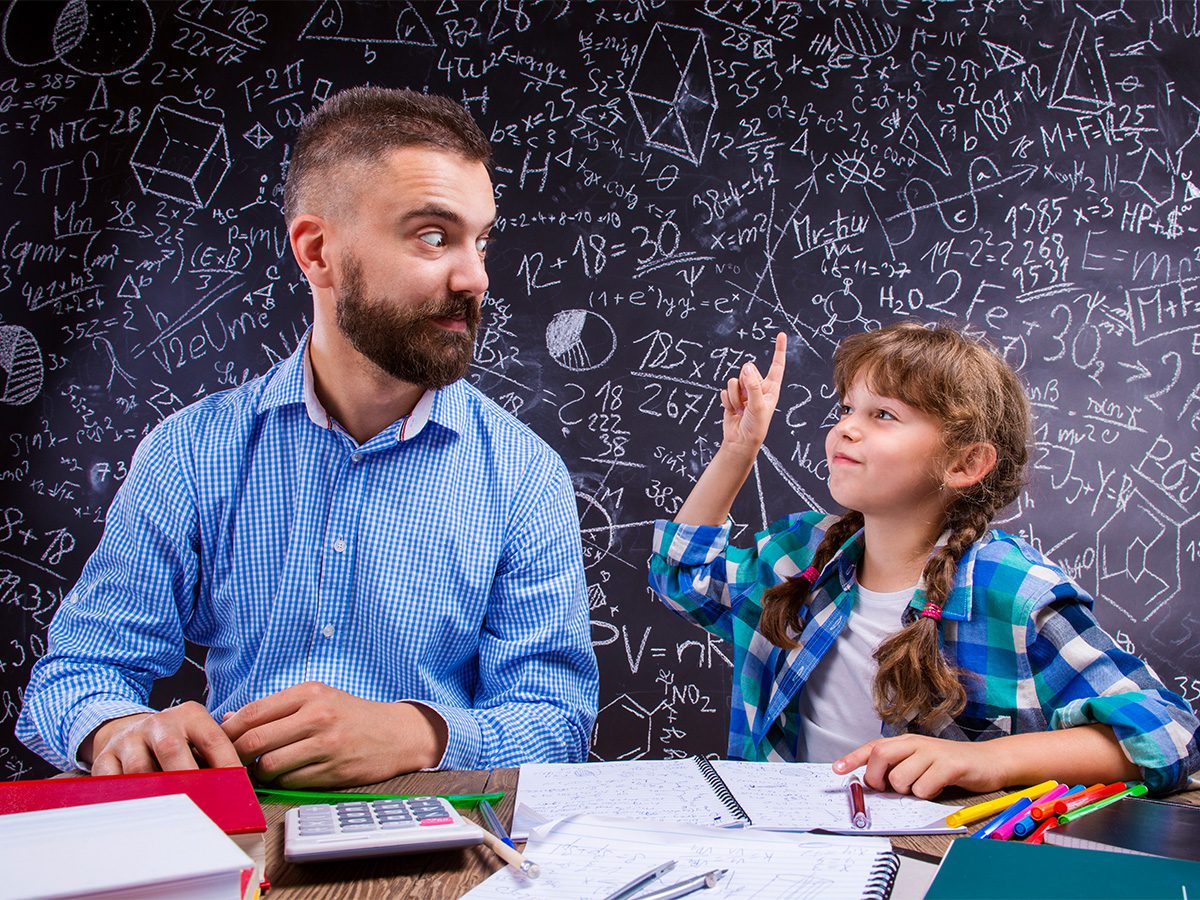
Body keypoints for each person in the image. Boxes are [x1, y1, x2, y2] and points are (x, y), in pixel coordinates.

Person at [17, 87, 598, 787]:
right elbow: (76, 674)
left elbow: (559, 721)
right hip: (233, 838)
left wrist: (419, 732)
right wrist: (124, 730)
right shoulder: (192, 453)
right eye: (434, 236)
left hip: (442, 845)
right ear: (317, 251)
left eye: (481, 241)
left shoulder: (524, 476)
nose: (474, 276)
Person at [648, 322, 1199, 797]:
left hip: (936, 866)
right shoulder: (800, 555)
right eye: (846, 408)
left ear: (965, 463)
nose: (846, 427)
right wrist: (738, 450)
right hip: (792, 851)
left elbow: (1168, 732)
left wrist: (988, 761)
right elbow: (685, 578)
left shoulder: (1014, 591)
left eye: (884, 414)